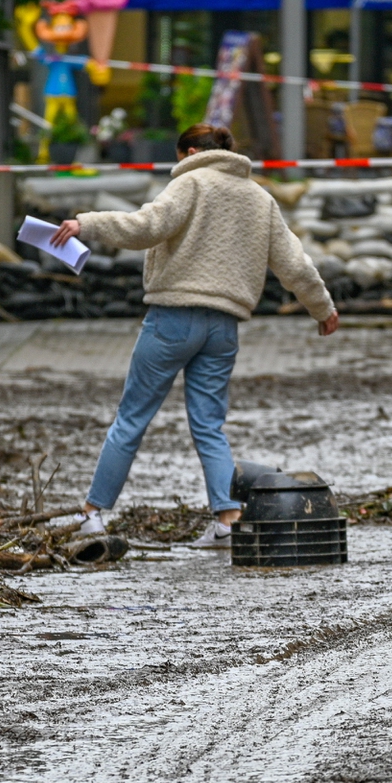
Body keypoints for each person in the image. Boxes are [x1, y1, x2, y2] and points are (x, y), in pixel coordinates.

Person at [48, 124, 340, 550]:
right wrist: (323, 309)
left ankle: (92, 515)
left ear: (188, 153)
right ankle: (226, 521)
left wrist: (85, 224)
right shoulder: (260, 198)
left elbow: (146, 226)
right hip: (224, 327)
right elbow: (294, 263)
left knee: (132, 418)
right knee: (209, 425)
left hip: (173, 320)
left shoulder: (191, 183)